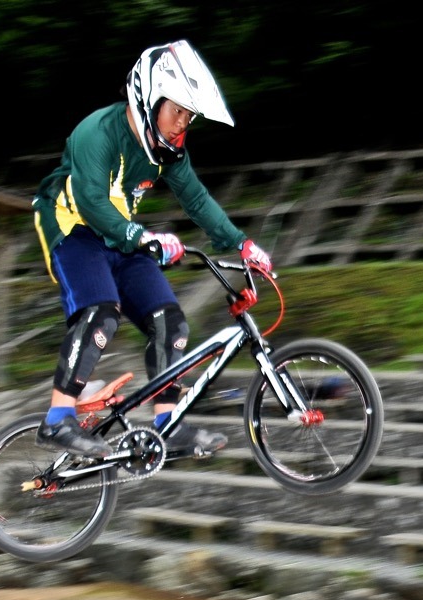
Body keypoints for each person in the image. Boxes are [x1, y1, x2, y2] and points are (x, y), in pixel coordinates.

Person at [32, 40, 272, 458]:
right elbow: (90, 201)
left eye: (189, 116)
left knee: (171, 322)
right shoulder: (98, 132)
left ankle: (168, 422)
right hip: (74, 228)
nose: (182, 124)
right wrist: (145, 238)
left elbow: (196, 200)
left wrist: (242, 243)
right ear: (149, 98)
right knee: (101, 312)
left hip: (122, 236)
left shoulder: (168, 152)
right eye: (176, 110)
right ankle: (57, 420)